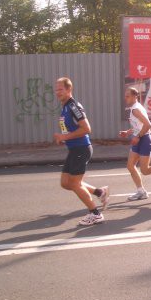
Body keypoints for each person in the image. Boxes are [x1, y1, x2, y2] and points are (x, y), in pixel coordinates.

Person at [53, 77, 109, 226]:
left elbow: (86, 129)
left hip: (81, 148)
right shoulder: (65, 106)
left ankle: (95, 214)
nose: (57, 92)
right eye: (56, 89)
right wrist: (64, 138)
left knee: (75, 183)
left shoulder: (73, 107)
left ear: (69, 90)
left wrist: (65, 136)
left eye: (60, 89)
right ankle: (99, 192)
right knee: (66, 183)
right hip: (74, 149)